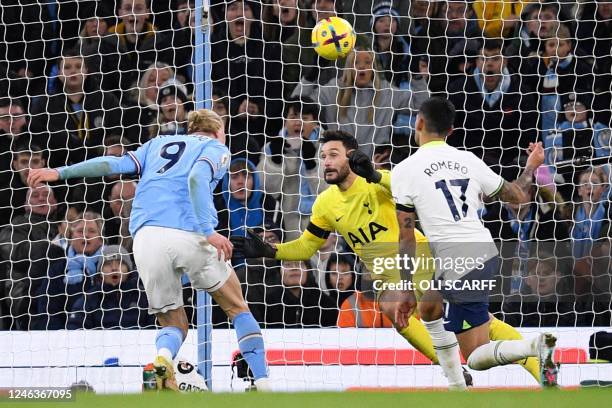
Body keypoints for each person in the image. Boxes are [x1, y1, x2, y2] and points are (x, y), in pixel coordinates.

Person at [232, 129, 542, 384]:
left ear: (351, 157)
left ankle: (538, 368)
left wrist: (376, 175)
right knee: (399, 313)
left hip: (419, 260)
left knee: (475, 324)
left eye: (333, 154)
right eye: (323, 155)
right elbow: (307, 246)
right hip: (383, 274)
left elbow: (411, 186)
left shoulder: (378, 182)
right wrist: (272, 251)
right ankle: (455, 375)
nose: (326, 161)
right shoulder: (324, 203)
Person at [27, 109, 270, 391]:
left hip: (145, 238)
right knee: (237, 306)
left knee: (173, 322)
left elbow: (113, 164)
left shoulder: (156, 145)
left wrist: (60, 172)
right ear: (218, 130)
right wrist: (208, 231)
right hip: (188, 233)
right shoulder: (216, 149)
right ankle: (263, 383)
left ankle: (162, 361)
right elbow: (196, 178)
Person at [390, 96, 557, 390]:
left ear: (418, 122)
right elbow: (518, 196)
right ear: (450, 131)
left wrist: (405, 287)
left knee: (475, 357)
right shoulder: (467, 159)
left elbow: (406, 236)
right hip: (480, 251)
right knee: (429, 308)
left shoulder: (403, 170)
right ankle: (457, 389)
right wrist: (531, 167)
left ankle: (533, 346)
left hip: (460, 261)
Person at [67, 245, 153, 329]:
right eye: (108, 264)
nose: (114, 268)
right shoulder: (89, 299)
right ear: (100, 272)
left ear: (129, 269)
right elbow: (75, 330)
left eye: (120, 263)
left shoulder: (144, 297)